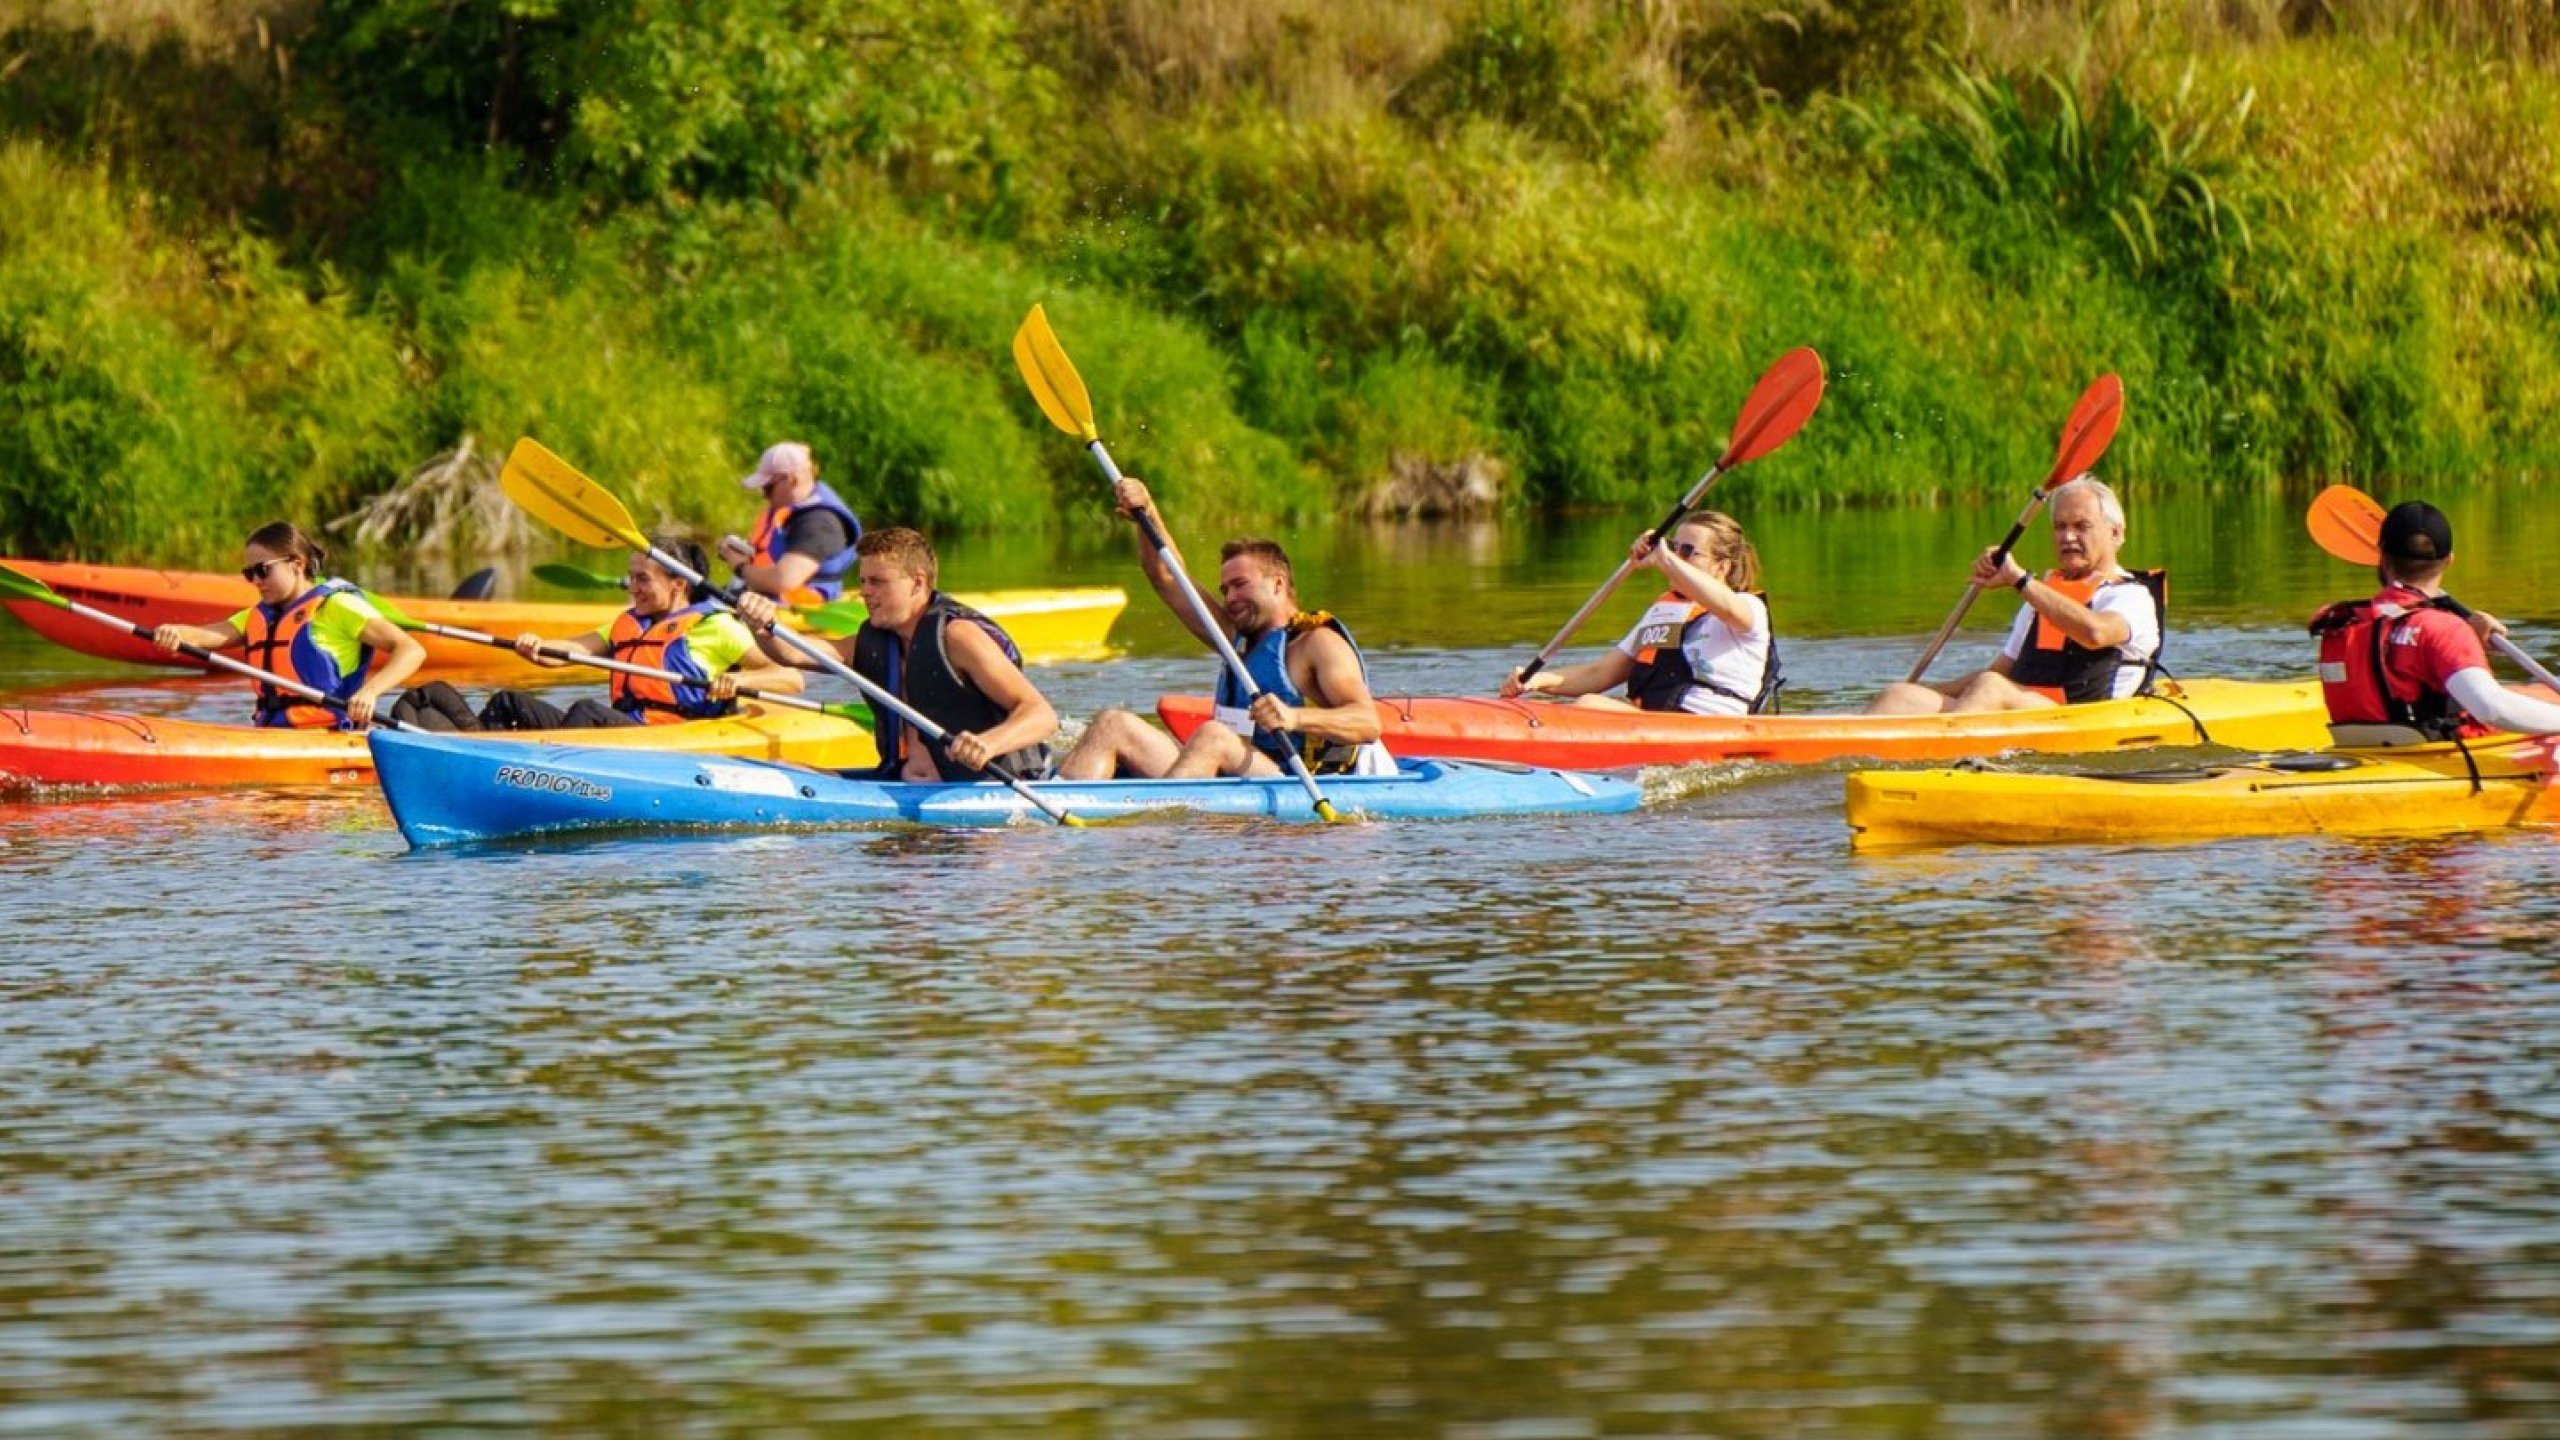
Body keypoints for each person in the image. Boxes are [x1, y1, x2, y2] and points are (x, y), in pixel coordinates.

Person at [1055, 477, 1390, 781]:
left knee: (1212, 736)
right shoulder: (1236, 639)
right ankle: (1052, 811)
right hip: (1232, 769)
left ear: (1278, 584)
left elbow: (1367, 723)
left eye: (1240, 585)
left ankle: (1161, 823)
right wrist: (1148, 512)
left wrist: (1294, 718)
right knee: (1113, 724)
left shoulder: (1317, 643)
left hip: (1295, 778)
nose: (1230, 598)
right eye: (1225, 590)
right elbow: (1168, 577)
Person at [737, 527, 1056, 781]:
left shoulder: (958, 637)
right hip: (898, 783)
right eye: (863, 581)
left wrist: (989, 744)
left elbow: (1041, 715)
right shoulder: (873, 643)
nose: (864, 591)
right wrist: (763, 627)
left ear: (917, 584)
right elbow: (795, 653)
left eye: (877, 582)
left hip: (985, 788)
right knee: (782, 769)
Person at [390, 540, 804, 732]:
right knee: (507, 701)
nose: (633, 588)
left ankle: (537, 769)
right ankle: (473, 755)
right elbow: (569, 652)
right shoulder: (626, 623)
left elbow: (790, 678)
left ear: (678, 584)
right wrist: (537, 648)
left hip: (662, 738)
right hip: (616, 730)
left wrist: (740, 681)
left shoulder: (716, 627)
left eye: (643, 579)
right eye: (631, 579)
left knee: (586, 709)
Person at [1865, 475, 2161, 715]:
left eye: (2082, 526)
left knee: (1991, 687)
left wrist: (2019, 580)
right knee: (1899, 695)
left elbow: (2095, 633)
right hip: (2022, 708)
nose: (2068, 537)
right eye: (2060, 527)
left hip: (2081, 716)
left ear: (2116, 534)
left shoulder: (2131, 596)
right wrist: (1929, 692)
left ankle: (1943, 761)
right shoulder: (2044, 595)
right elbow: (2002, 670)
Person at [2308, 500, 2560, 737]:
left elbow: (2397, 643)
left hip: (2362, 750)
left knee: (2536, 696)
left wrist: (2470, 637)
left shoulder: (2344, 621)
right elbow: (2491, 709)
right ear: (2449, 560)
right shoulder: (2444, 629)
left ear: (2382, 557)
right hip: (2437, 760)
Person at [1497, 512, 1781, 715]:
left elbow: (1728, 607)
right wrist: (1537, 681)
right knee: (1561, 705)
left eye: (1688, 551)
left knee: (1589, 706)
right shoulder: (1664, 613)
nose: (1675, 556)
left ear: (1723, 567)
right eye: (1673, 546)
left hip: (1711, 728)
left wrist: (1664, 557)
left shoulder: (1747, 608)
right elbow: (1600, 674)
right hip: (1656, 722)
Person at [151, 521, 426, 730]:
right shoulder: (259, 616)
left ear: (297, 564)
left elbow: (410, 649)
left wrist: (370, 692)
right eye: (249, 574)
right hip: (270, 730)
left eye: (262, 570)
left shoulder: (337, 607)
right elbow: (208, 635)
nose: (256, 581)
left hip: (328, 733)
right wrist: (174, 633)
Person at [716, 441, 862, 604]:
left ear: (792, 479)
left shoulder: (820, 524)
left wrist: (740, 566)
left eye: (768, 487)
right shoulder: (795, 513)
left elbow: (783, 580)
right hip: (764, 601)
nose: (764, 495)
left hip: (797, 612)